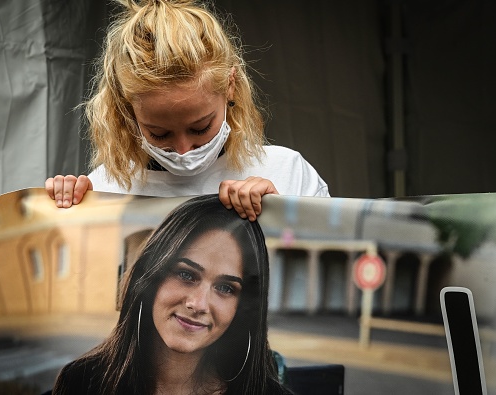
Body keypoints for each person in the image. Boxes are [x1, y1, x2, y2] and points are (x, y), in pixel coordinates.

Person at [46, 0, 329, 222]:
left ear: (230, 86)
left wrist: (283, 216)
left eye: (200, 128)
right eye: (159, 133)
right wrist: (67, 216)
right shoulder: (105, 189)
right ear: (126, 109)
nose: (183, 151)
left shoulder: (287, 173)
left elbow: (339, 278)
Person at [51, 195, 293, 395]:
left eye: (225, 288)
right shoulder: (81, 383)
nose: (198, 304)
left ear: (243, 307)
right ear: (151, 277)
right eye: (186, 275)